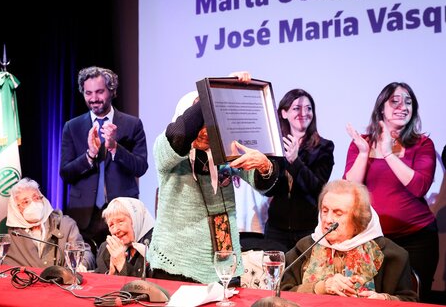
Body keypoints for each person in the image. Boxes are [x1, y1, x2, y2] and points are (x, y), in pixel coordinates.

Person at [147, 72, 280, 284]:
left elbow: (266, 185)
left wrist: (265, 166)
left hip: (225, 264)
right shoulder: (165, 149)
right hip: (176, 264)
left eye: (213, 124)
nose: (206, 132)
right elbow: (181, 134)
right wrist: (218, 92)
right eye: (201, 124)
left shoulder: (225, 152)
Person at [344, 82, 437, 302]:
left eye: (408, 101)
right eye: (394, 101)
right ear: (381, 109)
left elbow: (419, 186)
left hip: (417, 239)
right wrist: (364, 152)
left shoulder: (423, 144)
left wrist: (387, 153)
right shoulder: (362, 143)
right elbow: (351, 188)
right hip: (374, 239)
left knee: (415, 300)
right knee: (372, 299)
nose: (402, 106)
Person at [281, 179, 418, 302]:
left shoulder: (390, 254)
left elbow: (410, 301)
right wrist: (320, 287)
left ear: (358, 220)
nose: (328, 220)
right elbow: (280, 293)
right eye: (325, 210)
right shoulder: (305, 248)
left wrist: (385, 299)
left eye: (337, 213)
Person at [60, 66, 148, 248]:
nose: (93, 99)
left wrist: (115, 147)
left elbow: (141, 167)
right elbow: (66, 174)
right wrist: (89, 155)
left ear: (112, 90)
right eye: (88, 93)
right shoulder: (72, 126)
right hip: (84, 216)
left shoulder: (132, 124)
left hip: (121, 216)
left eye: (99, 92)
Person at [263, 89, 334, 252]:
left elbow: (318, 189)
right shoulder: (274, 146)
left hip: (308, 229)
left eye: (308, 108)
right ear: (284, 113)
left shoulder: (324, 147)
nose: (304, 113)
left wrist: (295, 161)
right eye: (297, 108)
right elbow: (268, 190)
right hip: (276, 229)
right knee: (276, 274)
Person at [3, 178, 95, 270]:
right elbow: (7, 265)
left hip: (62, 282)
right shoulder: (13, 236)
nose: (33, 204)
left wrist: (81, 264)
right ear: (16, 209)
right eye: (25, 202)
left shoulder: (65, 225)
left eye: (36, 198)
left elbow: (85, 253)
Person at [95, 197, 154, 277]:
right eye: (111, 225)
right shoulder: (106, 249)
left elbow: (148, 287)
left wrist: (121, 264)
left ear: (136, 220)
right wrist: (110, 274)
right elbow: (98, 283)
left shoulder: (155, 250)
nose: (116, 230)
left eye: (120, 222)